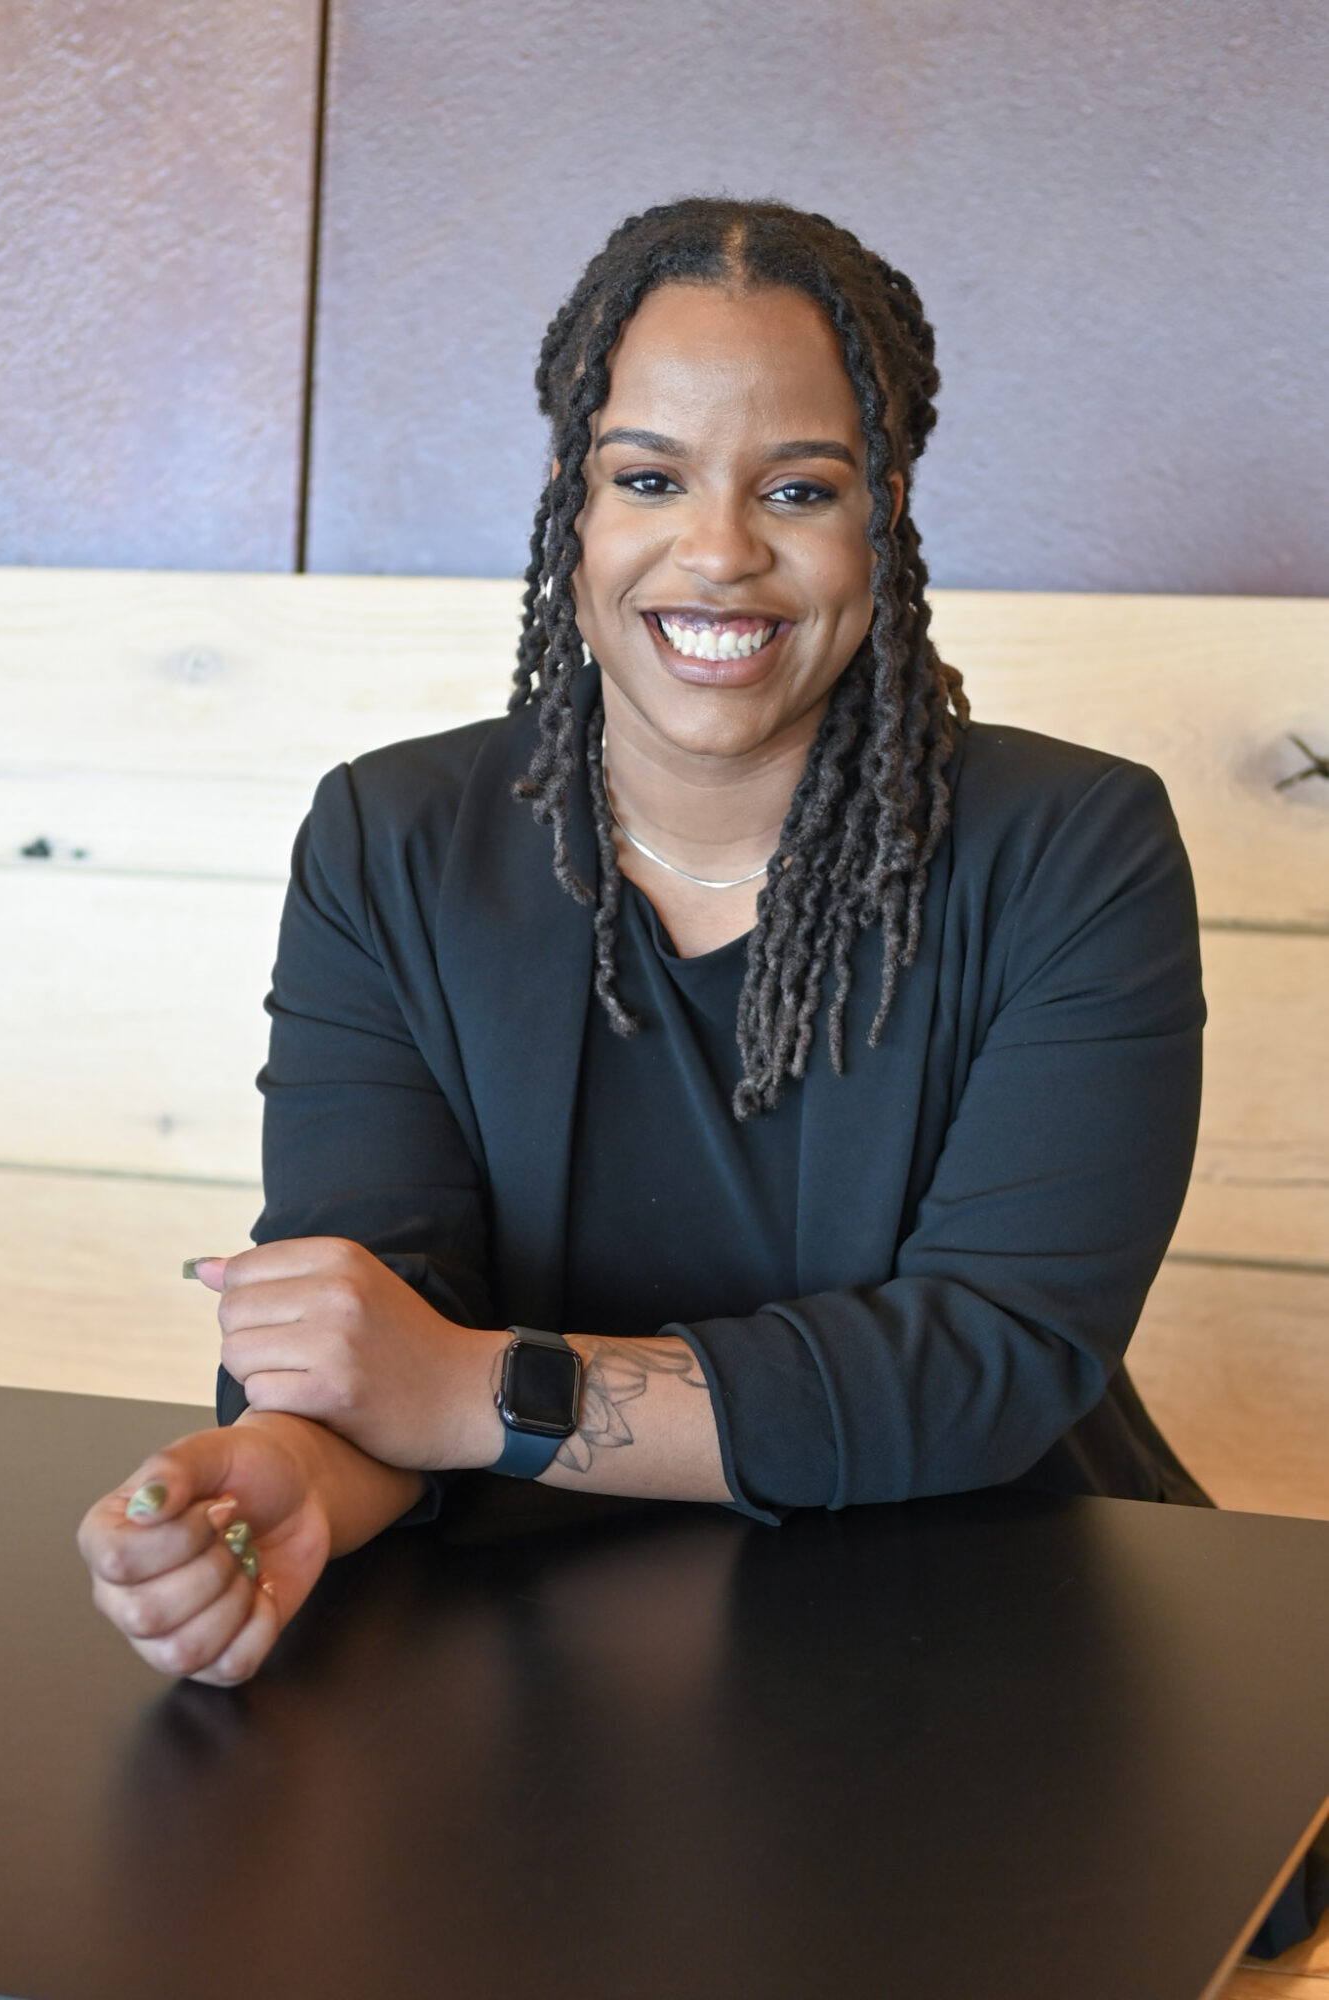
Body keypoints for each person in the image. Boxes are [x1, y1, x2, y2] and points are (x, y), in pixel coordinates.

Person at [78, 195, 1210, 1692]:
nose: (718, 550)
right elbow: (378, 1302)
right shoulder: (389, 838)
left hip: (982, 1621)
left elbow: (988, 1361)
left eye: (798, 490)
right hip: (519, 1653)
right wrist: (293, 1471)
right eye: (650, 476)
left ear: (885, 511)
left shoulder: (1073, 847)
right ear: (574, 501)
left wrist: (482, 1390)